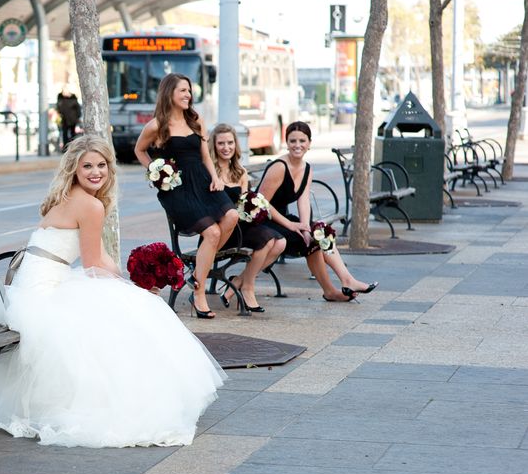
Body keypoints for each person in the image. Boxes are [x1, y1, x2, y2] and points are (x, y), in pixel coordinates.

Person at [0, 135, 226, 448]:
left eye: (101, 165)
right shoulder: (90, 205)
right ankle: (132, 397)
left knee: (130, 306)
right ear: (74, 170)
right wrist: (132, 287)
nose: (96, 172)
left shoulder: (69, 196)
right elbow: (93, 263)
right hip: (41, 291)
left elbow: (99, 255)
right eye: (87, 166)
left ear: (110, 168)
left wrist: (129, 280)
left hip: (28, 287)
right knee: (135, 315)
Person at [134, 73, 238, 319]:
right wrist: (156, 172)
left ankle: (195, 274)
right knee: (212, 233)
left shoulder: (195, 119)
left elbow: (205, 155)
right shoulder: (156, 125)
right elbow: (139, 150)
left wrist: (215, 177)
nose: (188, 95)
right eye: (182, 90)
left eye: (189, 90)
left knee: (232, 216)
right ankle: (199, 293)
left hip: (202, 181)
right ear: (169, 92)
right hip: (177, 189)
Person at [258, 121, 378, 302]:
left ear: (309, 143)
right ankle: (336, 287)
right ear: (286, 143)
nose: (297, 145)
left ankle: (341, 283)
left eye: (302, 141)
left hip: (283, 218)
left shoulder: (306, 168)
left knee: (319, 234)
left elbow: (303, 201)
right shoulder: (279, 167)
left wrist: (305, 227)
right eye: (292, 141)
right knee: (312, 241)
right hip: (264, 221)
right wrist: (291, 225)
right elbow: (262, 202)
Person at [209, 124, 286, 313]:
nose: (226, 147)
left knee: (280, 243)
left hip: (241, 226)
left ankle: (238, 282)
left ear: (236, 144)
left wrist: (253, 209)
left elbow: (244, 203)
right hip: (221, 230)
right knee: (267, 241)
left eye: (230, 143)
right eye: (221, 143)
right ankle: (247, 288)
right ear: (214, 145)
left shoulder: (240, 172)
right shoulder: (210, 172)